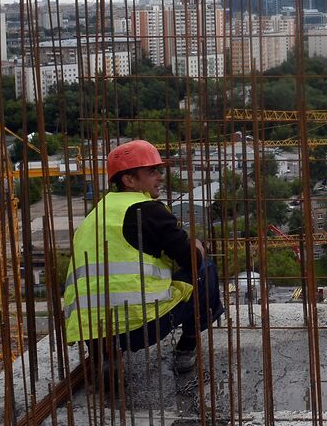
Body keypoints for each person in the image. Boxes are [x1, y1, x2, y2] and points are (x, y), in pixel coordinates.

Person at [62, 139, 223, 375]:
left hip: (92, 330)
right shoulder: (149, 210)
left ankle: (106, 358)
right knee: (205, 268)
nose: (159, 176)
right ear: (129, 180)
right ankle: (186, 350)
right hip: (140, 326)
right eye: (151, 172)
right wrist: (198, 246)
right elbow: (191, 260)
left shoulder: (96, 213)